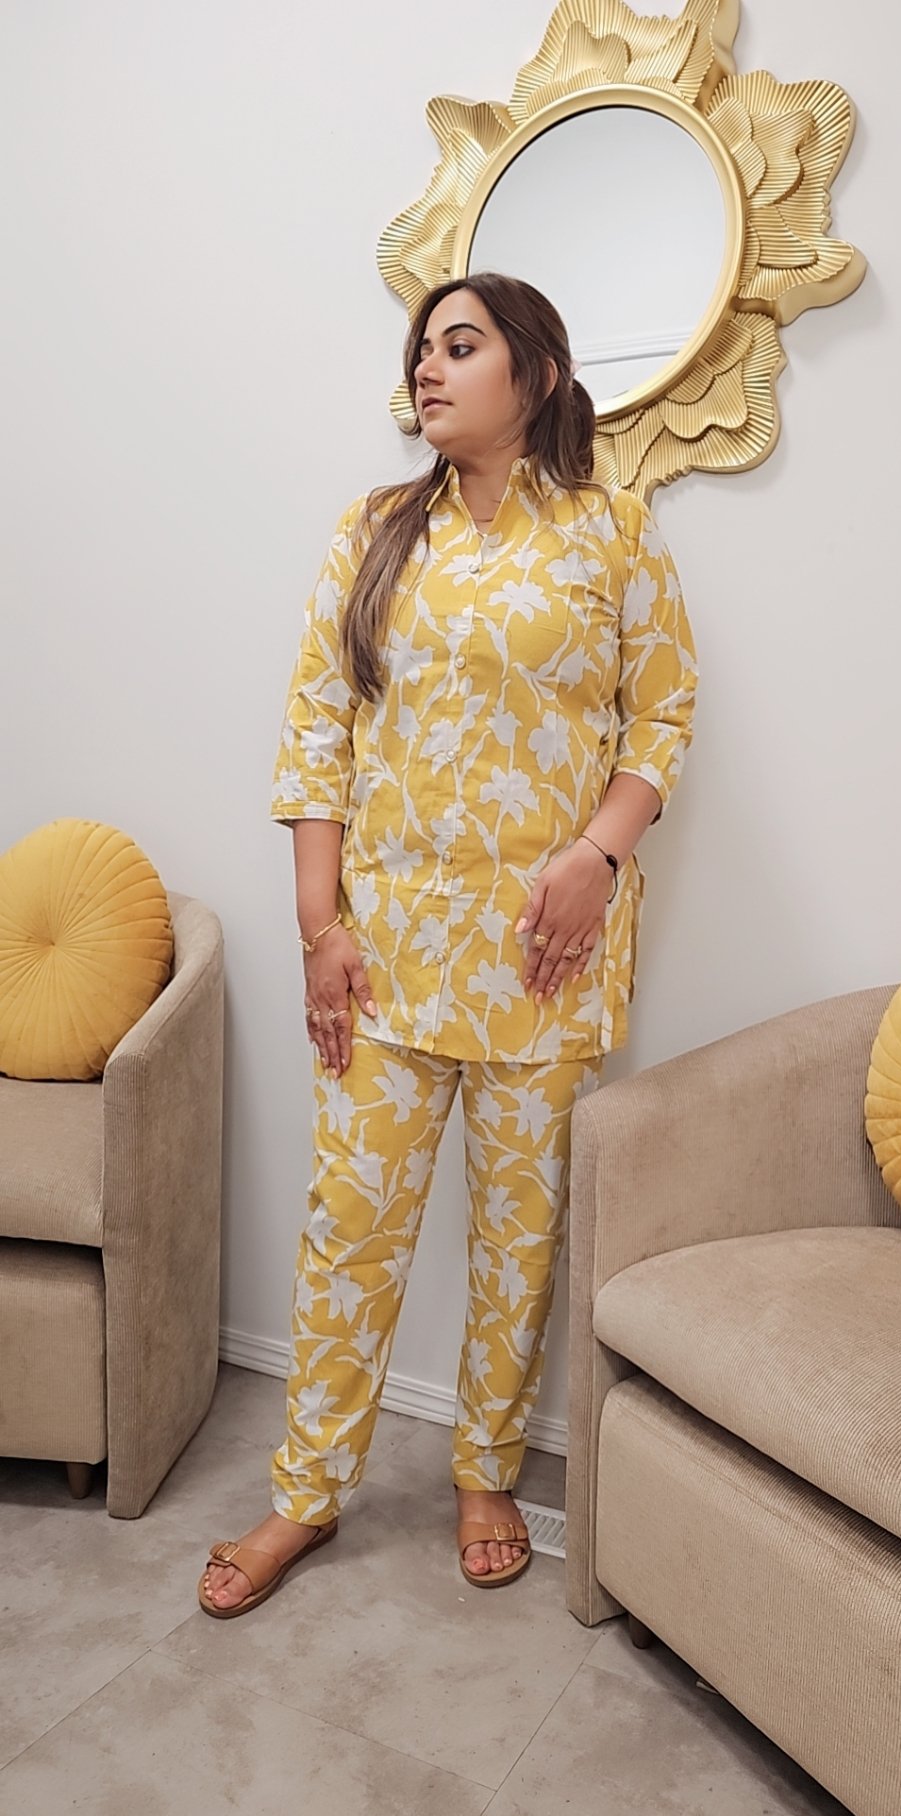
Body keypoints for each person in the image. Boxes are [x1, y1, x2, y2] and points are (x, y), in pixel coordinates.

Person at [199, 271, 697, 1617]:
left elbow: (660, 721)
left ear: (538, 372)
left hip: (544, 959)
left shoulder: (613, 530)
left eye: (459, 346)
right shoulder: (375, 532)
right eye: (421, 349)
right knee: (348, 1229)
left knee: (517, 1236)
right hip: (385, 958)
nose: (426, 368)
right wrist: (319, 928)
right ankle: (307, 1492)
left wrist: (598, 857)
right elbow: (317, 732)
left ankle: (486, 1473)